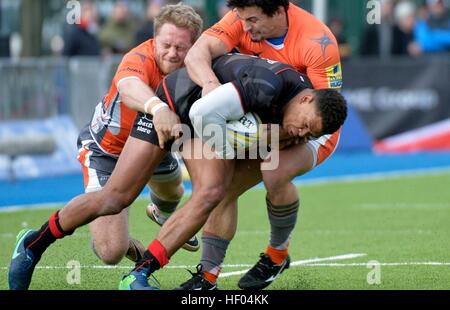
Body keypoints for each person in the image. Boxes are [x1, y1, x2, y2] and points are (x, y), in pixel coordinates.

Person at [9, 54, 347, 291]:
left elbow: (256, 135)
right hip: (175, 106)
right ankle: (33, 245)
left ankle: (139, 275)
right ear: (305, 100)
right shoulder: (267, 87)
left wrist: (265, 141)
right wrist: (233, 147)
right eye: (304, 126)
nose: (300, 134)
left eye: (309, 135)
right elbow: (202, 112)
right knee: (116, 197)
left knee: (212, 192)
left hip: (201, 124)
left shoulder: (296, 113)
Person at [8, 3, 204, 290]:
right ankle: (32, 242)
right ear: (154, 39)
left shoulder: (196, 67)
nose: (172, 53)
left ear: (194, 46)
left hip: (154, 146)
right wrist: (158, 107)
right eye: (166, 45)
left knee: (174, 191)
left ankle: (161, 215)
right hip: (107, 152)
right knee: (111, 251)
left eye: (181, 47)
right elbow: (128, 87)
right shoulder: (138, 57)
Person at [180, 0, 342, 290]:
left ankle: (276, 255)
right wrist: (209, 87)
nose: (244, 27)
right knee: (220, 186)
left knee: (274, 170)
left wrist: (259, 135)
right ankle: (207, 277)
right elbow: (196, 54)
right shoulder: (239, 19)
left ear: (279, 11)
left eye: (253, 20)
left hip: (308, 127)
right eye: (242, 18)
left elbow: (316, 116)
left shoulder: (319, 42)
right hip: (256, 118)